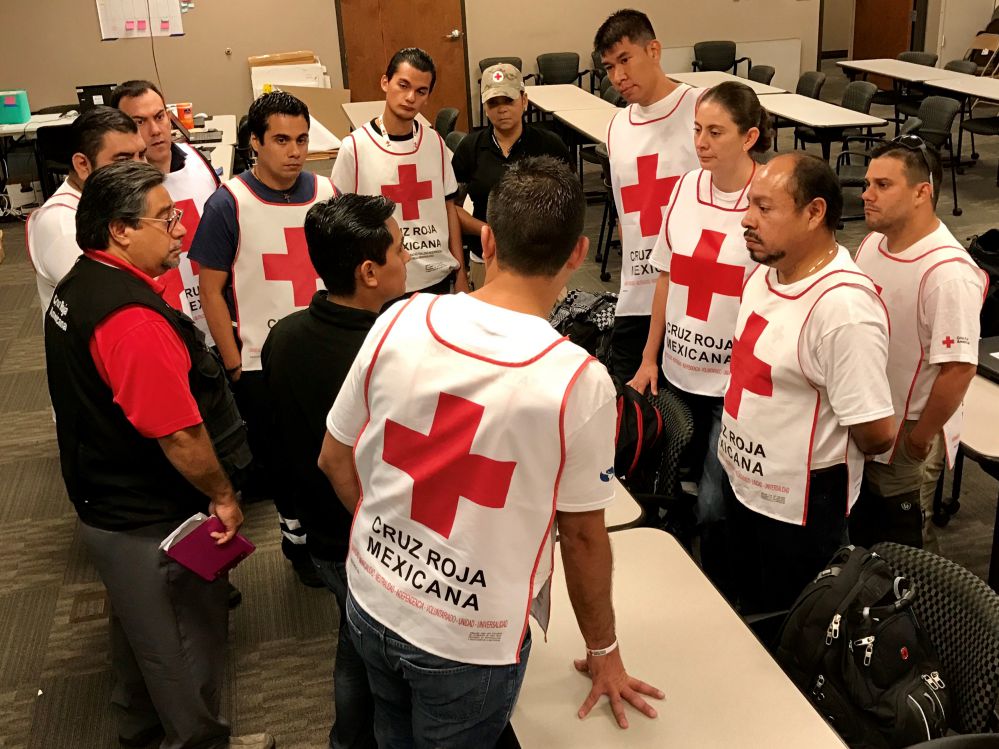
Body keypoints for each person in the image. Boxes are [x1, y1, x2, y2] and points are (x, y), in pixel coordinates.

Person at [318, 157, 662, 747]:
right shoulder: (578, 380)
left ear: (489, 240)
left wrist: (390, 543)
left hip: (369, 597)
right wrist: (603, 650)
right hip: (467, 641)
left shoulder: (399, 317)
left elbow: (333, 458)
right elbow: (581, 537)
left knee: (389, 733)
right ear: (579, 254)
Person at [43, 160, 269, 749]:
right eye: (166, 219)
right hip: (151, 520)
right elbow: (178, 434)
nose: (179, 230)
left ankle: (141, 736)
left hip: (105, 500)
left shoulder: (80, 284)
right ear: (120, 229)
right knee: (186, 653)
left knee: (140, 645)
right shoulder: (131, 321)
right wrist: (222, 496)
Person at [261, 193, 410, 749]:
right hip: (371, 545)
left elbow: (275, 441)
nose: (407, 260)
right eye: (397, 249)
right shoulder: (390, 353)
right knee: (373, 661)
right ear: (369, 272)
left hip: (319, 536)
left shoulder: (285, 334)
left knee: (352, 636)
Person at [720, 153, 895, 615]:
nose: (746, 219)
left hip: (798, 510)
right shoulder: (766, 271)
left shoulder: (845, 311)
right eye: (749, 205)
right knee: (745, 609)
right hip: (743, 485)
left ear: (814, 212)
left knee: (790, 625)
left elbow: (876, 432)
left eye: (764, 208)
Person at [189, 91, 337, 586]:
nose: (294, 151)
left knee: (330, 452)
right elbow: (210, 291)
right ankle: (298, 546)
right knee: (284, 465)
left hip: (320, 351)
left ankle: (333, 537)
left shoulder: (326, 193)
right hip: (258, 362)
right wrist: (234, 366)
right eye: (280, 140)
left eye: (301, 139)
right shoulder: (228, 203)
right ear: (255, 142)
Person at [629, 82, 770, 573]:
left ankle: (720, 587)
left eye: (715, 131)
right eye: (697, 129)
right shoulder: (686, 188)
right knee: (662, 486)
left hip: (732, 387)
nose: (701, 141)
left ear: (750, 136)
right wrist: (649, 358)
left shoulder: (768, 200)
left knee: (714, 505)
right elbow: (667, 275)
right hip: (676, 371)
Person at [850, 137, 987, 551]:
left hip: (906, 427)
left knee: (902, 544)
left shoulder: (948, 274)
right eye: (867, 183)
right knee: (866, 524)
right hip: (867, 411)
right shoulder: (874, 241)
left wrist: (918, 440)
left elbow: (959, 368)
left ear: (921, 192)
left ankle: (919, 612)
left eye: (882, 185)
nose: (866, 195)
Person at [595, 9, 702, 380]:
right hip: (638, 290)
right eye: (609, 67)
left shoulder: (701, 111)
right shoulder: (618, 126)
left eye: (625, 59)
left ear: (653, 50)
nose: (618, 77)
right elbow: (627, 213)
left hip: (696, 292)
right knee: (628, 408)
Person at [331, 47, 469, 296]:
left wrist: (460, 273)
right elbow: (340, 222)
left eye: (420, 91)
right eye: (403, 85)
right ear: (385, 82)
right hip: (385, 283)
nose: (410, 97)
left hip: (436, 276)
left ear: (428, 96)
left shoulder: (435, 143)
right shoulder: (354, 147)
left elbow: (449, 208)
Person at [112, 80, 221, 339]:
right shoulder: (117, 188)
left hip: (212, 308)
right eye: (139, 122)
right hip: (159, 320)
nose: (155, 130)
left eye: (159, 116)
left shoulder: (197, 161)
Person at [451, 62, 571, 289]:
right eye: (493, 103)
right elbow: (451, 208)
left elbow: (569, 205)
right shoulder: (470, 148)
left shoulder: (548, 146)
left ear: (524, 100)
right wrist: (486, 230)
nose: (501, 109)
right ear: (485, 107)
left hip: (539, 262)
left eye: (509, 100)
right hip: (485, 257)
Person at [26, 106, 145, 314]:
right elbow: (112, 307)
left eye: (141, 155)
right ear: (82, 165)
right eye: (124, 160)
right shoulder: (64, 228)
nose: (140, 169)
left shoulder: (105, 199)